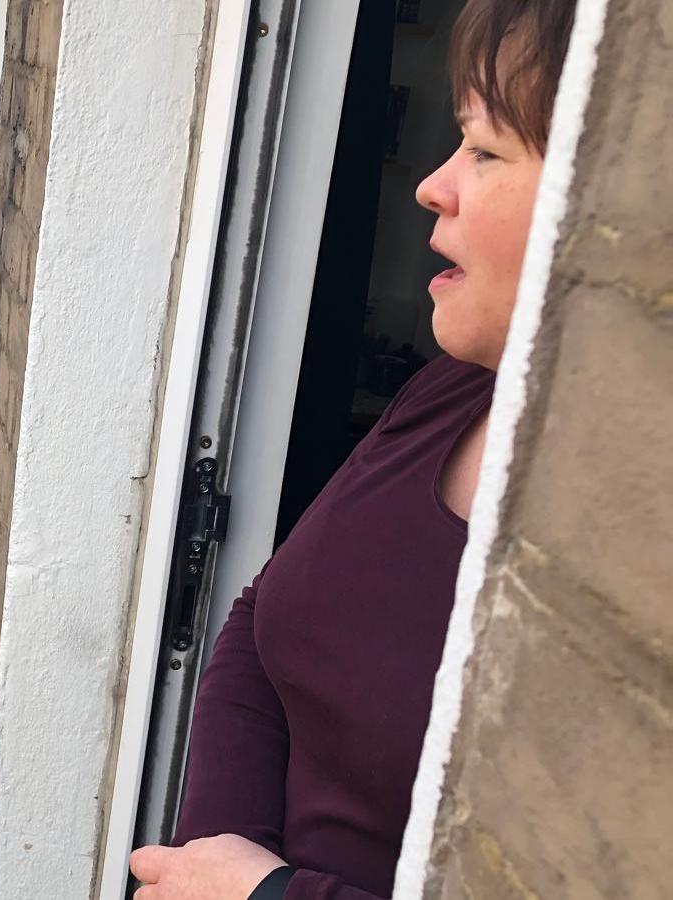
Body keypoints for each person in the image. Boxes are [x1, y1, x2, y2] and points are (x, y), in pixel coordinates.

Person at [129, 0, 576, 897]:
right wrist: (219, 856)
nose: (432, 184)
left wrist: (265, 894)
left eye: (486, 150)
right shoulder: (454, 388)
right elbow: (263, 622)